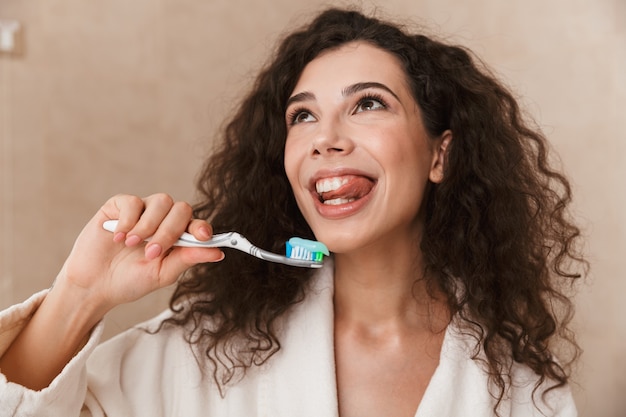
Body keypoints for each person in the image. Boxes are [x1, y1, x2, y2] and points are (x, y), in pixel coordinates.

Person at [0, 7, 585, 417]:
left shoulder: (523, 395)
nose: (324, 138)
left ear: (441, 152)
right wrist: (80, 294)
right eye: (301, 116)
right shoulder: (203, 354)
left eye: (367, 104)